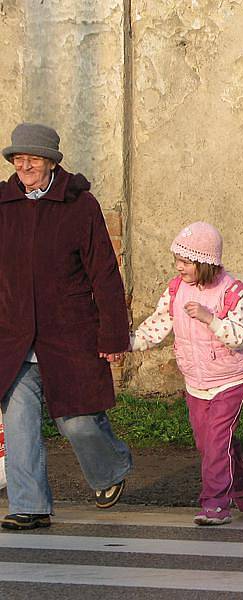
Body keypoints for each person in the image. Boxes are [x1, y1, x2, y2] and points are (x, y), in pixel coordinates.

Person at [0, 123, 132, 530]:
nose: (24, 166)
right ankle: (30, 505)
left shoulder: (80, 205)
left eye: (33, 159)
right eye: (17, 159)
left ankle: (111, 468)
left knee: (77, 420)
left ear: (52, 162)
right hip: (13, 336)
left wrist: (112, 332)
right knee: (18, 424)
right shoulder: (2, 205)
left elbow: (105, 272)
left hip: (69, 333)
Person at [130, 222, 243, 526]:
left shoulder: (233, 293)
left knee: (216, 442)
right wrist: (128, 343)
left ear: (205, 262)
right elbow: (158, 323)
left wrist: (210, 318)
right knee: (207, 444)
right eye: (177, 260)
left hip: (229, 379)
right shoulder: (175, 290)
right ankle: (238, 480)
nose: (178, 267)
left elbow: (240, 336)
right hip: (196, 382)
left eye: (185, 262)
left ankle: (215, 504)